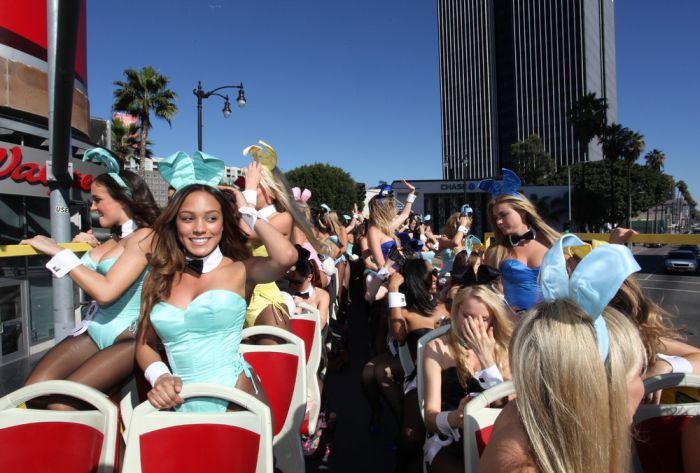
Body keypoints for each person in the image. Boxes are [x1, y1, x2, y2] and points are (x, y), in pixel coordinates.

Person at [136, 151, 297, 412]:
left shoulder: (242, 270)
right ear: (175, 223)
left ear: (223, 223)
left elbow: (286, 256)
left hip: (239, 402)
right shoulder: (157, 277)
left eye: (211, 218)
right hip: (177, 405)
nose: (200, 228)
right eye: (188, 218)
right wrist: (160, 376)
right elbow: (144, 344)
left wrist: (247, 209)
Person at [479, 235, 646, 473]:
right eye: (638, 373)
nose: (644, 386)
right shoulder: (522, 463)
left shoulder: (524, 415)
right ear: (596, 382)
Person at [21, 148, 158, 409]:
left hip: (127, 338)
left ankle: (97, 448)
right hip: (94, 329)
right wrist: (84, 250)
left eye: (97, 200)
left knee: (62, 404)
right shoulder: (114, 240)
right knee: (33, 392)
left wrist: (60, 252)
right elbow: (88, 275)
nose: (93, 208)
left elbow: (106, 292)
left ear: (124, 200)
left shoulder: (147, 237)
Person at [423, 285, 513, 473]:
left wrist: (487, 360)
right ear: (456, 313)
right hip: (451, 437)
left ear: (492, 321)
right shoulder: (437, 347)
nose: (474, 325)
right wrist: (454, 418)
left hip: (495, 436)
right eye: (468, 317)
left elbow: (508, 406)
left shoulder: (503, 347)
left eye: (483, 319)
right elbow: (430, 417)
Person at [236, 141, 321, 335]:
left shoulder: (283, 219)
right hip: (239, 295)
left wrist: (248, 189)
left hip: (265, 299)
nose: (246, 190)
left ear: (272, 192)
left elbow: (247, 230)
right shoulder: (244, 214)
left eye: (256, 185)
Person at [386, 258, 449, 472]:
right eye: (429, 274)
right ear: (416, 281)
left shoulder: (447, 306)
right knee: (410, 436)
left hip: (453, 375)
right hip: (421, 377)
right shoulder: (405, 313)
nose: (435, 277)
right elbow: (399, 335)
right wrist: (393, 289)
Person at [481, 169, 559, 311]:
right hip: (513, 327)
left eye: (503, 215)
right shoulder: (495, 252)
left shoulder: (555, 244)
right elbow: (487, 295)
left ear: (522, 211)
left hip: (553, 324)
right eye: (495, 218)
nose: (498, 222)